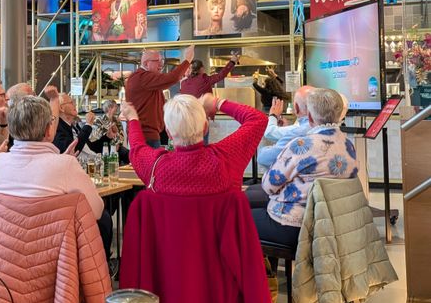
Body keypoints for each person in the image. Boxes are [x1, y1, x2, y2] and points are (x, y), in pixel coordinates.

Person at [0, 95, 113, 256]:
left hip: (5, 255)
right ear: (49, 130)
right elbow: (96, 210)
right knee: (104, 219)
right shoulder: (65, 165)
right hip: (56, 260)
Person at [252, 88, 358, 251]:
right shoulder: (348, 145)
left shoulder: (301, 145)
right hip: (332, 225)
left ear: (309, 116)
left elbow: (268, 185)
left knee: (236, 218)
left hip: (295, 226)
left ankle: (260, 274)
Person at [122, 93, 266, 194]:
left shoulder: (154, 165)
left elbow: (136, 147)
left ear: (169, 132)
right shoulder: (226, 157)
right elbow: (258, 119)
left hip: (172, 238)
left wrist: (133, 118)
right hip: (221, 237)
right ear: (205, 128)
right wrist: (217, 103)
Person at [125, 45, 195, 148]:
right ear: (146, 63)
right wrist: (187, 60)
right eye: (157, 61)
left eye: (161, 61)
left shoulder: (146, 79)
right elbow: (172, 77)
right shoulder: (142, 77)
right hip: (145, 136)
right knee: (150, 164)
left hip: (148, 134)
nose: (161, 65)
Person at [90, 99, 129, 164]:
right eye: (115, 106)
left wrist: (117, 144)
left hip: (117, 147)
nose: (117, 108)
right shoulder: (99, 121)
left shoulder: (117, 121)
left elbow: (121, 137)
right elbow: (96, 137)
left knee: (128, 154)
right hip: (103, 147)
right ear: (109, 108)